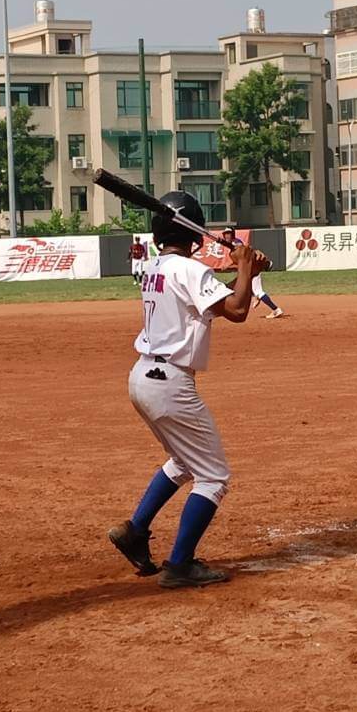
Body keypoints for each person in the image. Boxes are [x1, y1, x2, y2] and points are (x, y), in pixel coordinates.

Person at [108, 193, 269, 589]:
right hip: (171, 385)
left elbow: (217, 300)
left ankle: (135, 531)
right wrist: (246, 268)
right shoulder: (191, 270)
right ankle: (180, 564)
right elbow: (237, 311)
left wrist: (246, 272)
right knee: (213, 476)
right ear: (193, 231)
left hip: (143, 378)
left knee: (182, 461)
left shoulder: (154, 267)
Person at [222, 226, 286, 319]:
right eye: (225, 234)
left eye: (229, 233)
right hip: (250, 272)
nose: (227, 236)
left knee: (258, 291)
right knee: (239, 287)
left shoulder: (237, 244)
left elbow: (243, 263)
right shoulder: (234, 247)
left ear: (232, 234)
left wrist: (229, 266)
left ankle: (276, 309)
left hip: (253, 272)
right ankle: (256, 296)